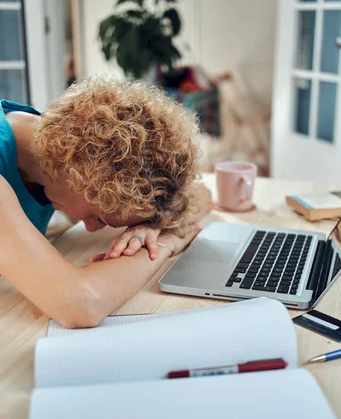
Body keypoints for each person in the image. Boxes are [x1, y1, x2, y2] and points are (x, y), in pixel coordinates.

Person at [0, 77, 211, 328]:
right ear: (78, 173)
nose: (90, 228)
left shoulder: (67, 137)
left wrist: (153, 226)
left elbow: (202, 194)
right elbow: (80, 305)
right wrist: (167, 242)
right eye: (100, 217)